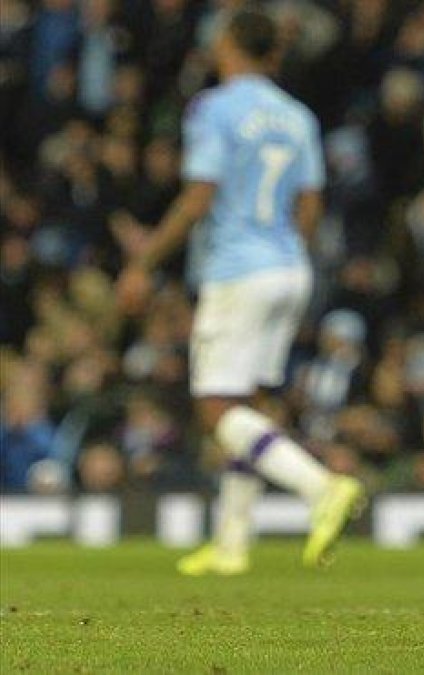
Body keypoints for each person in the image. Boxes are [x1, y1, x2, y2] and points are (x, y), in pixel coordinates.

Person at [115, 8, 364, 575]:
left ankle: (321, 487)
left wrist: (144, 262)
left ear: (226, 46)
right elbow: (310, 207)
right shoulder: (296, 116)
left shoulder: (215, 108)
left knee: (216, 406)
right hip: (288, 266)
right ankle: (231, 543)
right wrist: (286, 257)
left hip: (237, 269)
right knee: (246, 402)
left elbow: (200, 194)